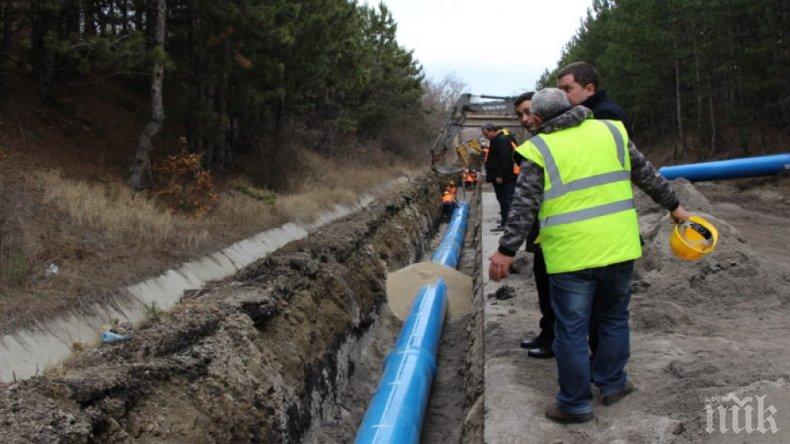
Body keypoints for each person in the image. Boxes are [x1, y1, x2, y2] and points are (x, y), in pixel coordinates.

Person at [488, 88, 690, 424]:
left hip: (572, 255)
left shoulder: (538, 148)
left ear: (537, 119)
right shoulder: (611, 131)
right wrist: (676, 207)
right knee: (612, 319)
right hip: (619, 247)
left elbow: (524, 207)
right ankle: (612, 384)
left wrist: (506, 251)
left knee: (570, 329)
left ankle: (574, 404)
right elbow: (647, 175)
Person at [512, 91, 554, 358]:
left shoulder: (544, 146)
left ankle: (552, 340)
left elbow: (524, 202)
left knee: (556, 295)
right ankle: (547, 334)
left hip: (556, 233)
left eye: (528, 112)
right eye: (520, 115)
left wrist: (506, 250)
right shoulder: (534, 143)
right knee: (545, 290)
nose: (525, 119)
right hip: (544, 231)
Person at [557, 61, 630, 131]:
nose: (561, 94)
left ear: (589, 89)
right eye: (559, 90)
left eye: (567, 89)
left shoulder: (605, 114)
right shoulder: (595, 110)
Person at [482, 123, 518, 231]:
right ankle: (505, 220)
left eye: (486, 134)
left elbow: (505, 159)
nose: (485, 136)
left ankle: (507, 224)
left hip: (505, 178)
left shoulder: (501, 140)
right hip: (503, 177)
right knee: (503, 200)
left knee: (506, 200)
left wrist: (500, 175)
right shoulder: (498, 139)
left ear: (492, 130)